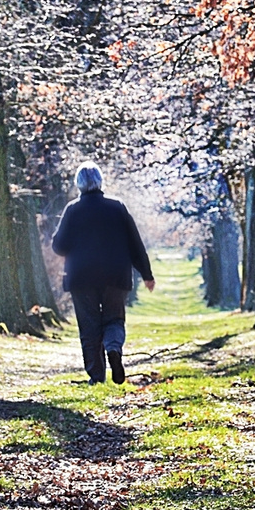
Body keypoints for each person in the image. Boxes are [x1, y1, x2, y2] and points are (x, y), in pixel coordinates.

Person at [51, 164, 154, 385]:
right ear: (101, 182)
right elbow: (135, 244)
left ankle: (96, 376)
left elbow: (59, 246)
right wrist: (146, 274)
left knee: (89, 326)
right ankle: (114, 348)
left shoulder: (72, 210)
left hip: (81, 277)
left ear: (78, 184)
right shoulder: (117, 207)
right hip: (115, 276)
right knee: (114, 319)